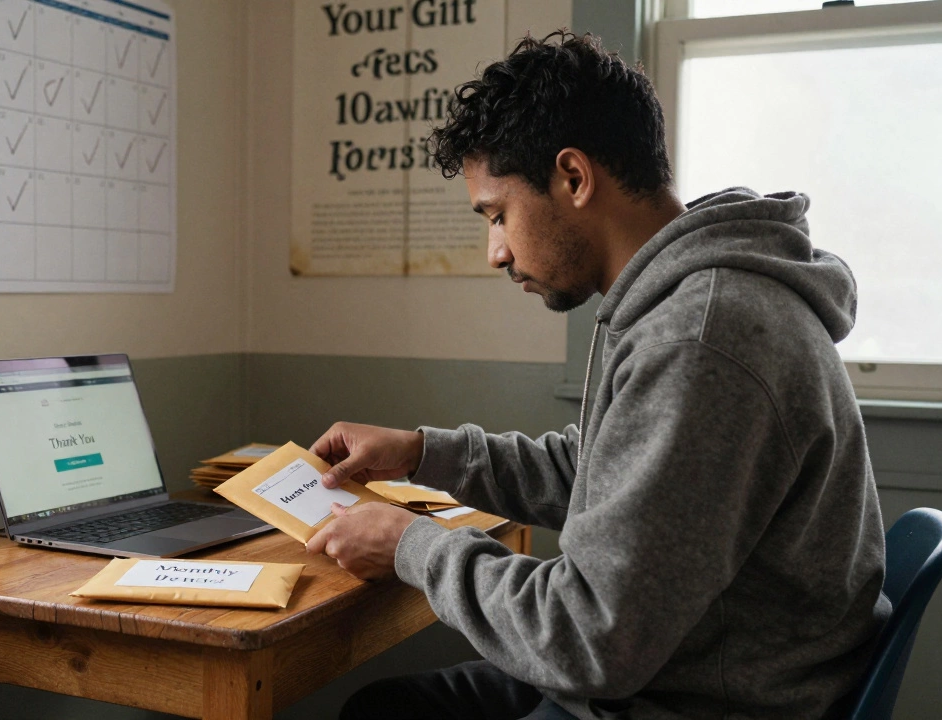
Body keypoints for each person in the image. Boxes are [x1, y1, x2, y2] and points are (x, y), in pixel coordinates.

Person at [304, 30, 889, 720]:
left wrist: (412, 547)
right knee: (388, 709)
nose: (495, 251)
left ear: (574, 178)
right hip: (678, 665)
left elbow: (589, 639)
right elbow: (605, 471)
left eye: (497, 215)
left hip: (691, 698)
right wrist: (422, 452)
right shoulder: (686, 300)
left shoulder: (702, 336)